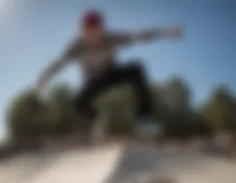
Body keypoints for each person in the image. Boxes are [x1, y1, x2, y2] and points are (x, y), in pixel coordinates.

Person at [35, 9, 183, 139]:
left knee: (137, 69)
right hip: (92, 82)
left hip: (111, 74)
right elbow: (61, 63)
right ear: (82, 31)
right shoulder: (76, 46)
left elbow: (138, 36)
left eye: (96, 30)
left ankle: (144, 119)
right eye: (88, 31)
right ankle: (98, 119)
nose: (93, 36)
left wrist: (164, 32)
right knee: (79, 104)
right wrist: (45, 76)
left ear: (102, 29)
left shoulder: (111, 38)